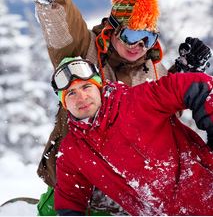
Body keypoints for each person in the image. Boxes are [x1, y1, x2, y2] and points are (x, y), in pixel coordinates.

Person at [26, 0, 212, 215]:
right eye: (132, 34)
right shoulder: (88, 52)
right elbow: (64, 37)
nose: (138, 45)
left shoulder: (151, 69)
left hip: (129, 192)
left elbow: (159, 116)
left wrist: (183, 71)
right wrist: (53, 1)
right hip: (80, 175)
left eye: (147, 38)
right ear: (114, 27)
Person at [51, 56, 213, 216]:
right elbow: (69, 201)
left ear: (98, 87)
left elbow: (201, 87)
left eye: (86, 87)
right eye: (71, 93)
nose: (82, 97)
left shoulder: (138, 100)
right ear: (64, 103)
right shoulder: (71, 152)